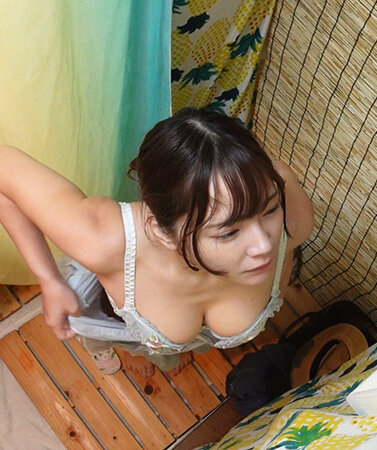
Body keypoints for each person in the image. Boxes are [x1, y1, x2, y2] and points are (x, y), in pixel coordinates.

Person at [0, 108, 314, 377]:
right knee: (117, 335)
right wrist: (49, 279)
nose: (265, 245)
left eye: (270, 209)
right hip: (118, 318)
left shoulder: (293, 217)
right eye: (229, 232)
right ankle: (131, 350)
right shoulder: (102, 240)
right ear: (162, 231)